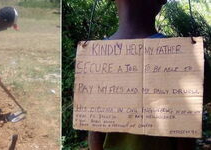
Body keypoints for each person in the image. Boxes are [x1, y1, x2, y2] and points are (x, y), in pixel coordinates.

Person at [87, 0, 204, 149]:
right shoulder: (185, 56)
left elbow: (95, 133)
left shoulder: (92, 61)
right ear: (162, 1)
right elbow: (186, 133)